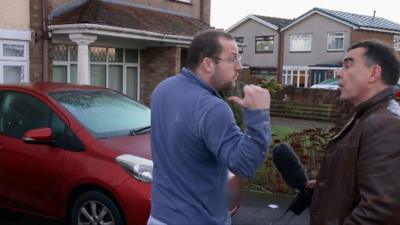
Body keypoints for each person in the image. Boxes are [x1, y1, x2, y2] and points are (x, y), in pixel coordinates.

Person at [148, 30, 271, 225]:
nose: (239, 66)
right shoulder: (212, 107)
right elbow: (243, 165)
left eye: (239, 58)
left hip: (159, 217)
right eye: (232, 59)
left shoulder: (163, 89)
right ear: (207, 63)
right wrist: (259, 114)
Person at [309, 40, 400, 225]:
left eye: (348, 65)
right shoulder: (368, 116)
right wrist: (330, 184)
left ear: (373, 73)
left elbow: (382, 211)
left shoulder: (386, 124)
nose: (339, 73)